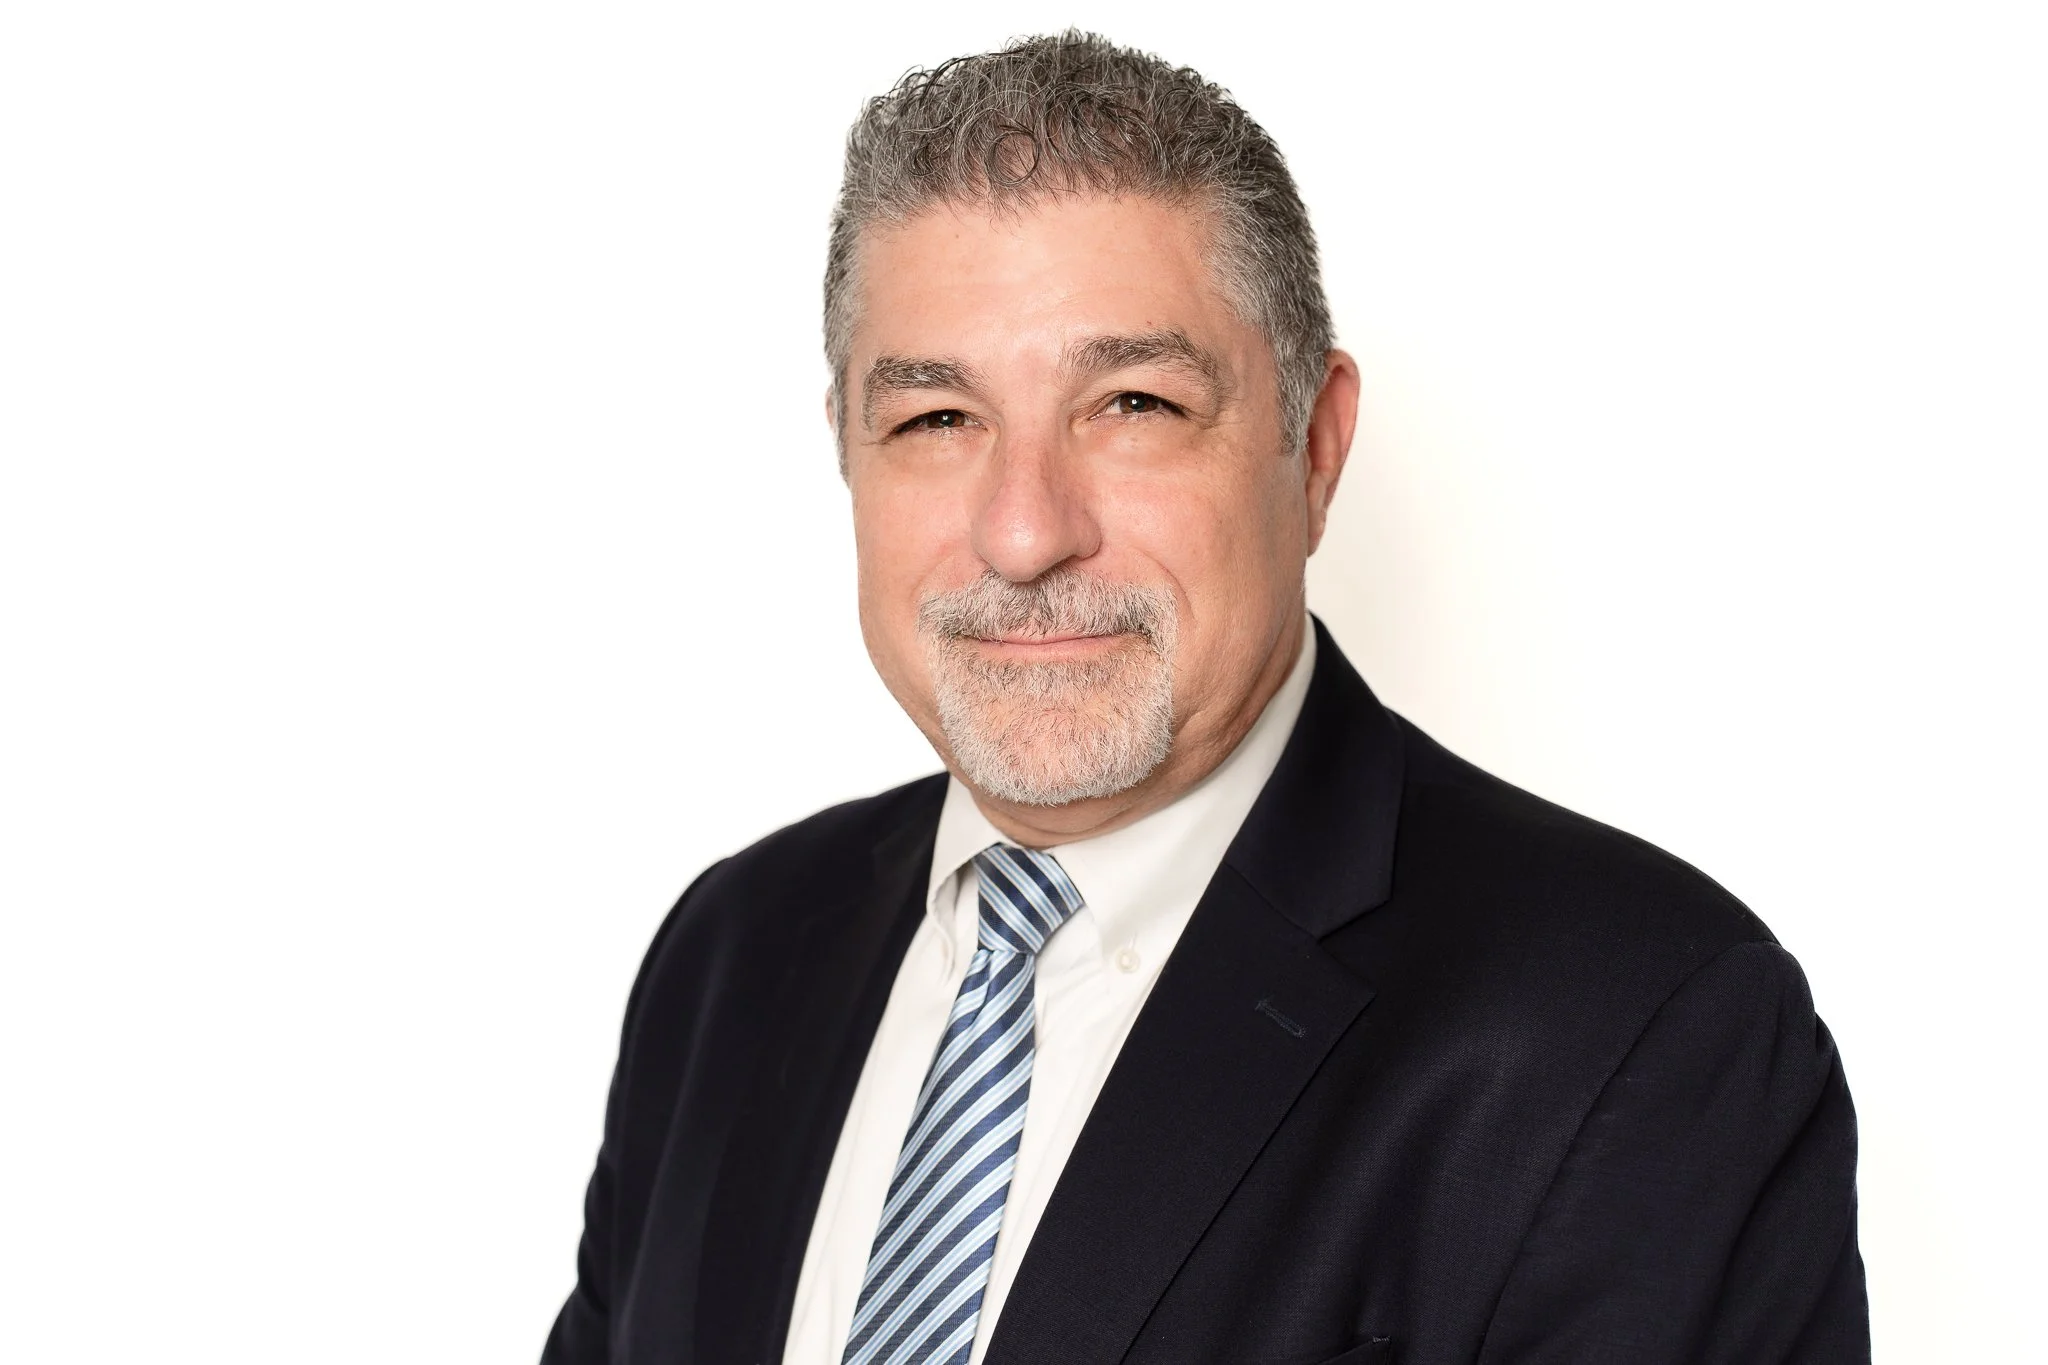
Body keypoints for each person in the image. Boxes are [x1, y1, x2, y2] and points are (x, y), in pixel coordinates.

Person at [540, 31, 1867, 1365]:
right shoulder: (732, 957)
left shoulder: (1638, 1032)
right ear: (845, 448)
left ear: (1316, 447)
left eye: (1133, 404)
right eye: (936, 419)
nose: (1023, 534)